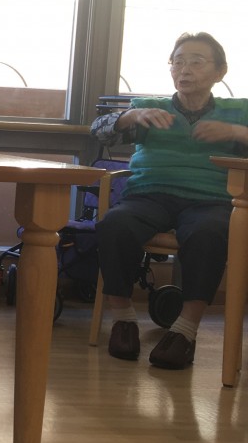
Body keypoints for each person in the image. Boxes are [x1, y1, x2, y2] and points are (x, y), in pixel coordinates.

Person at [91, 31, 248, 369]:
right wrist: (130, 117)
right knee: (114, 224)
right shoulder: (150, 108)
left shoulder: (239, 112)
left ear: (220, 71)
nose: (184, 69)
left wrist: (236, 133)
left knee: (209, 233)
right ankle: (123, 320)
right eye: (177, 62)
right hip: (149, 194)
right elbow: (99, 129)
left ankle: (184, 331)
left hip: (211, 200)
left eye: (196, 62)